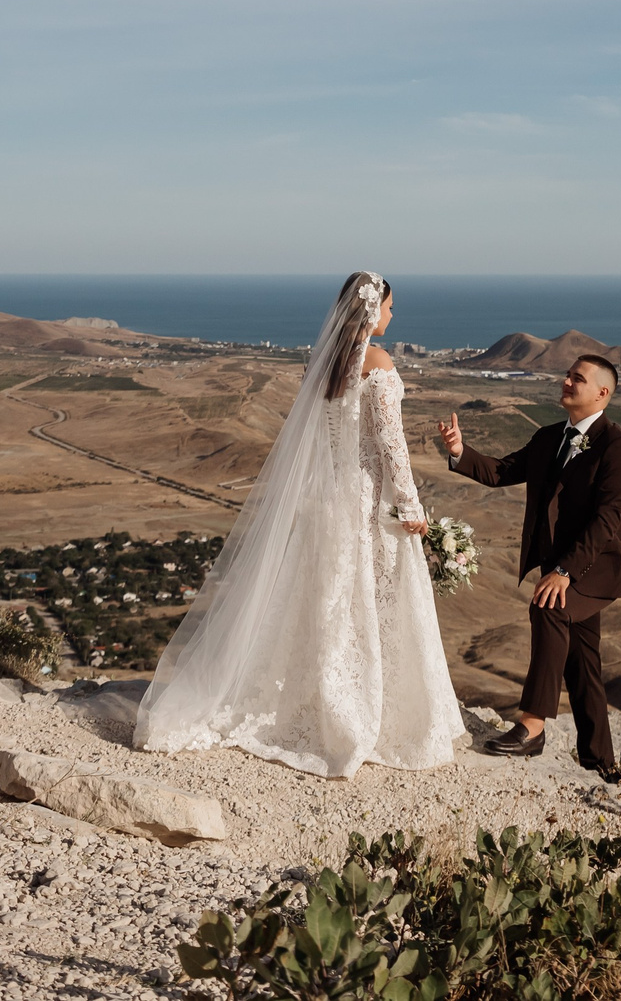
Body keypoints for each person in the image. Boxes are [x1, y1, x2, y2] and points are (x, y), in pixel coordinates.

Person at [133, 272, 465, 777]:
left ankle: (318, 695)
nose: (394, 317)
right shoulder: (378, 363)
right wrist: (413, 508)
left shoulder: (323, 360)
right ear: (372, 310)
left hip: (326, 497)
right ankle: (365, 708)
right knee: (372, 597)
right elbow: (391, 446)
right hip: (367, 496)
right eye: (391, 308)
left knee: (328, 593)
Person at [435, 353, 621, 777]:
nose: (566, 381)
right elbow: (502, 471)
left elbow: (607, 520)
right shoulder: (549, 437)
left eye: (577, 378)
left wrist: (564, 571)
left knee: (549, 605)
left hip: (595, 566)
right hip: (561, 565)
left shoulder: (619, 447)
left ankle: (533, 726)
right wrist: (459, 452)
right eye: (567, 375)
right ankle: (601, 764)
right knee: (583, 664)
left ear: (602, 393)